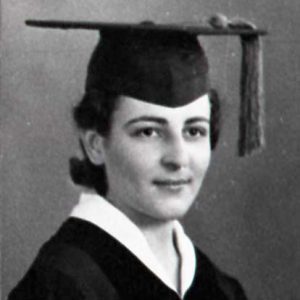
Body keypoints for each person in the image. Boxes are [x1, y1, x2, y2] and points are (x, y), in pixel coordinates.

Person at [9, 18, 266, 300]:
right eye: (148, 132)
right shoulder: (61, 283)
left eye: (194, 131)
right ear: (95, 145)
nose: (178, 158)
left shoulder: (221, 288)